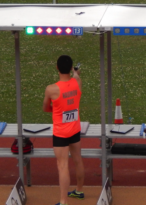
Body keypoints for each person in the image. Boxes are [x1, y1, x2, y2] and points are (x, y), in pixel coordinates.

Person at [43, 55, 85, 205]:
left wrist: (56, 110)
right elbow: (75, 77)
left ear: (57, 68)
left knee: (62, 166)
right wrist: (76, 73)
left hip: (60, 133)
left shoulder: (51, 89)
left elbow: (45, 108)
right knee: (77, 160)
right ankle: (79, 190)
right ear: (71, 68)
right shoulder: (77, 81)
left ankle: (63, 201)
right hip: (75, 129)